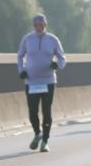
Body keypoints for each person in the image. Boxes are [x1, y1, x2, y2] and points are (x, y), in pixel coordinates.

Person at [16, 13, 66, 152]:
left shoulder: (53, 39)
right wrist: (21, 70)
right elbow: (20, 56)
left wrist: (57, 65)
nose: (39, 27)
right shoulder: (27, 39)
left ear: (45, 25)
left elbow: (62, 58)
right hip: (31, 81)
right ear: (33, 26)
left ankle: (45, 141)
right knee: (32, 111)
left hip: (48, 80)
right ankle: (37, 133)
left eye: (41, 24)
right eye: (36, 25)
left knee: (46, 111)